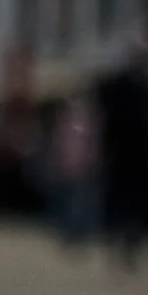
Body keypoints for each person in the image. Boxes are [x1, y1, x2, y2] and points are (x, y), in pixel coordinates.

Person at [97, 38, 148, 269]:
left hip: (143, 158)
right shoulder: (123, 86)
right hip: (126, 156)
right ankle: (122, 241)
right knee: (124, 203)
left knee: (138, 206)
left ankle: (133, 242)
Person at [49, 90, 100, 251]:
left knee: (79, 203)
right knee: (70, 202)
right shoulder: (68, 124)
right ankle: (70, 231)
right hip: (69, 168)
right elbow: (60, 147)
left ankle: (78, 233)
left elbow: (91, 147)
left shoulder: (87, 124)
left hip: (82, 169)